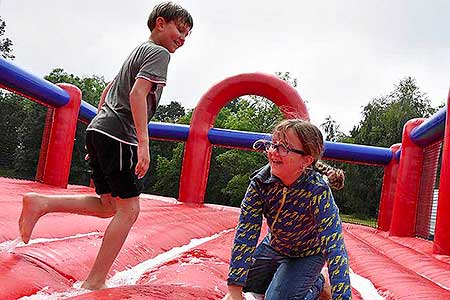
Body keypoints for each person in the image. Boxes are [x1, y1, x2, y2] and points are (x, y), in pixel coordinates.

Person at [18, 2, 193, 290]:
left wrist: (99, 136)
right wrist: (143, 144)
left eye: (187, 35)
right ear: (160, 23)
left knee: (108, 205)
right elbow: (138, 95)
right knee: (129, 211)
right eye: (180, 29)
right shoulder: (159, 53)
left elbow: (108, 91)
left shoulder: (138, 51)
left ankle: (41, 202)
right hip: (120, 135)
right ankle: (95, 280)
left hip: (102, 130)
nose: (183, 38)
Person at [223, 119, 352, 300]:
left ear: (306, 161)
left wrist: (342, 297)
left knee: (277, 298)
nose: (274, 152)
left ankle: (316, 284)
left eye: (284, 148)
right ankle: (295, 279)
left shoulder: (317, 191)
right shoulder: (261, 183)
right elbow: (246, 231)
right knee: (246, 286)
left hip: (308, 254)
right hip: (275, 246)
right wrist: (234, 289)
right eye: (273, 145)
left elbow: (335, 246)